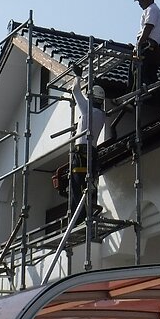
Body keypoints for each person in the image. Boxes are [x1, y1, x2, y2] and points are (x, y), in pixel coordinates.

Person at [55, 66, 107, 221]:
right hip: (92, 152)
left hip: (81, 151)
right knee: (88, 181)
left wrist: (78, 76)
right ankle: (91, 207)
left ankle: (79, 216)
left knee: (76, 184)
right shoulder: (101, 114)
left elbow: (75, 91)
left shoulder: (87, 110)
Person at [133, 0, 160, 88]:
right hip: (151, 47)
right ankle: (153, 94)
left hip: (147, 47)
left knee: (137, 70)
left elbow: (148, 27)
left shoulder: (151, 10)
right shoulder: (154, 10)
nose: (139, 3)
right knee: (150, 74)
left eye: (140, 0)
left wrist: (138, 45)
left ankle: (136, 93)